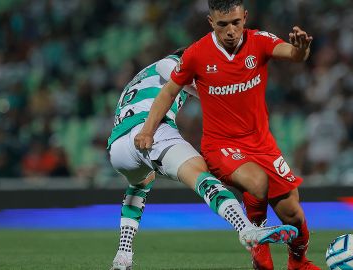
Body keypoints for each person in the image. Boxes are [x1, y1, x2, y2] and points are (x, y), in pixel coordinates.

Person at [136, 1, 320, 269]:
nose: (231, 31)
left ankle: (298, 263)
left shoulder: (259, 41)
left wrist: (301, 50)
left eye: (236, 22)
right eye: (223, 24)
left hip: (262, 144)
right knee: (256, 182)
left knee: (292, 212)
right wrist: (147, 130)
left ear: (245, 17)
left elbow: (292, 53)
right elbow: (169, 91)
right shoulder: (197, 53)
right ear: (211, 22)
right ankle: (258, 246)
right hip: (221, 146)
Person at [107, 48, 299, 270]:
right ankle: (247, 229)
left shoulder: (143, 76)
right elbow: (176, 74)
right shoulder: (169, 62)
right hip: (148, 129)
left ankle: (123, 256)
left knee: (141, 183)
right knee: (199, 172)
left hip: (119, 147)